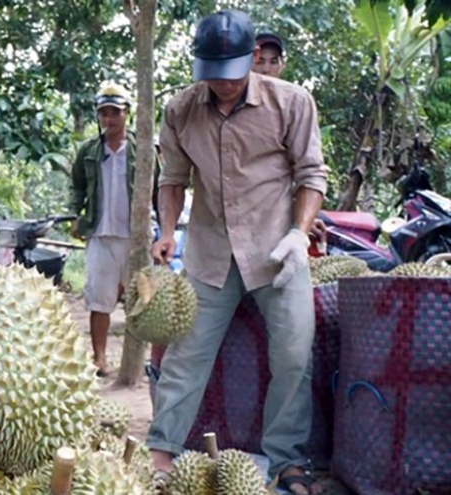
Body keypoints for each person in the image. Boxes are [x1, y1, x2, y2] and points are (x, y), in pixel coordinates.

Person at [147, 9, 328, 495]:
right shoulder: (181, 110)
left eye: (232, 75)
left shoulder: (291, 103)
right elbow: (173, 180)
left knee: (293, 354)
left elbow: (312, 176)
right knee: (185, 356)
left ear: (253, 59)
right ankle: (161, 452)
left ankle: (287, 460)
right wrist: (167, 231)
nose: (223, 86)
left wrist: (298, 233)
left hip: (277, 251)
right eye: (213, 75)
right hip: (210, 251)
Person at [69, 82, 157, 377]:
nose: (109, 119)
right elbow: (77, 186)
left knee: (144, 299)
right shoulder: (89, 151)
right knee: (99, 299)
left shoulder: (143, 150)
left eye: (115, 113)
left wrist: (160, 228)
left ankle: (140, 360)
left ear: (127, 114)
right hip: (101, 234)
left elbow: (159, 188)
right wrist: (74, 216)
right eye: (104, 113)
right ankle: (100, 358)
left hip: (137, 236)